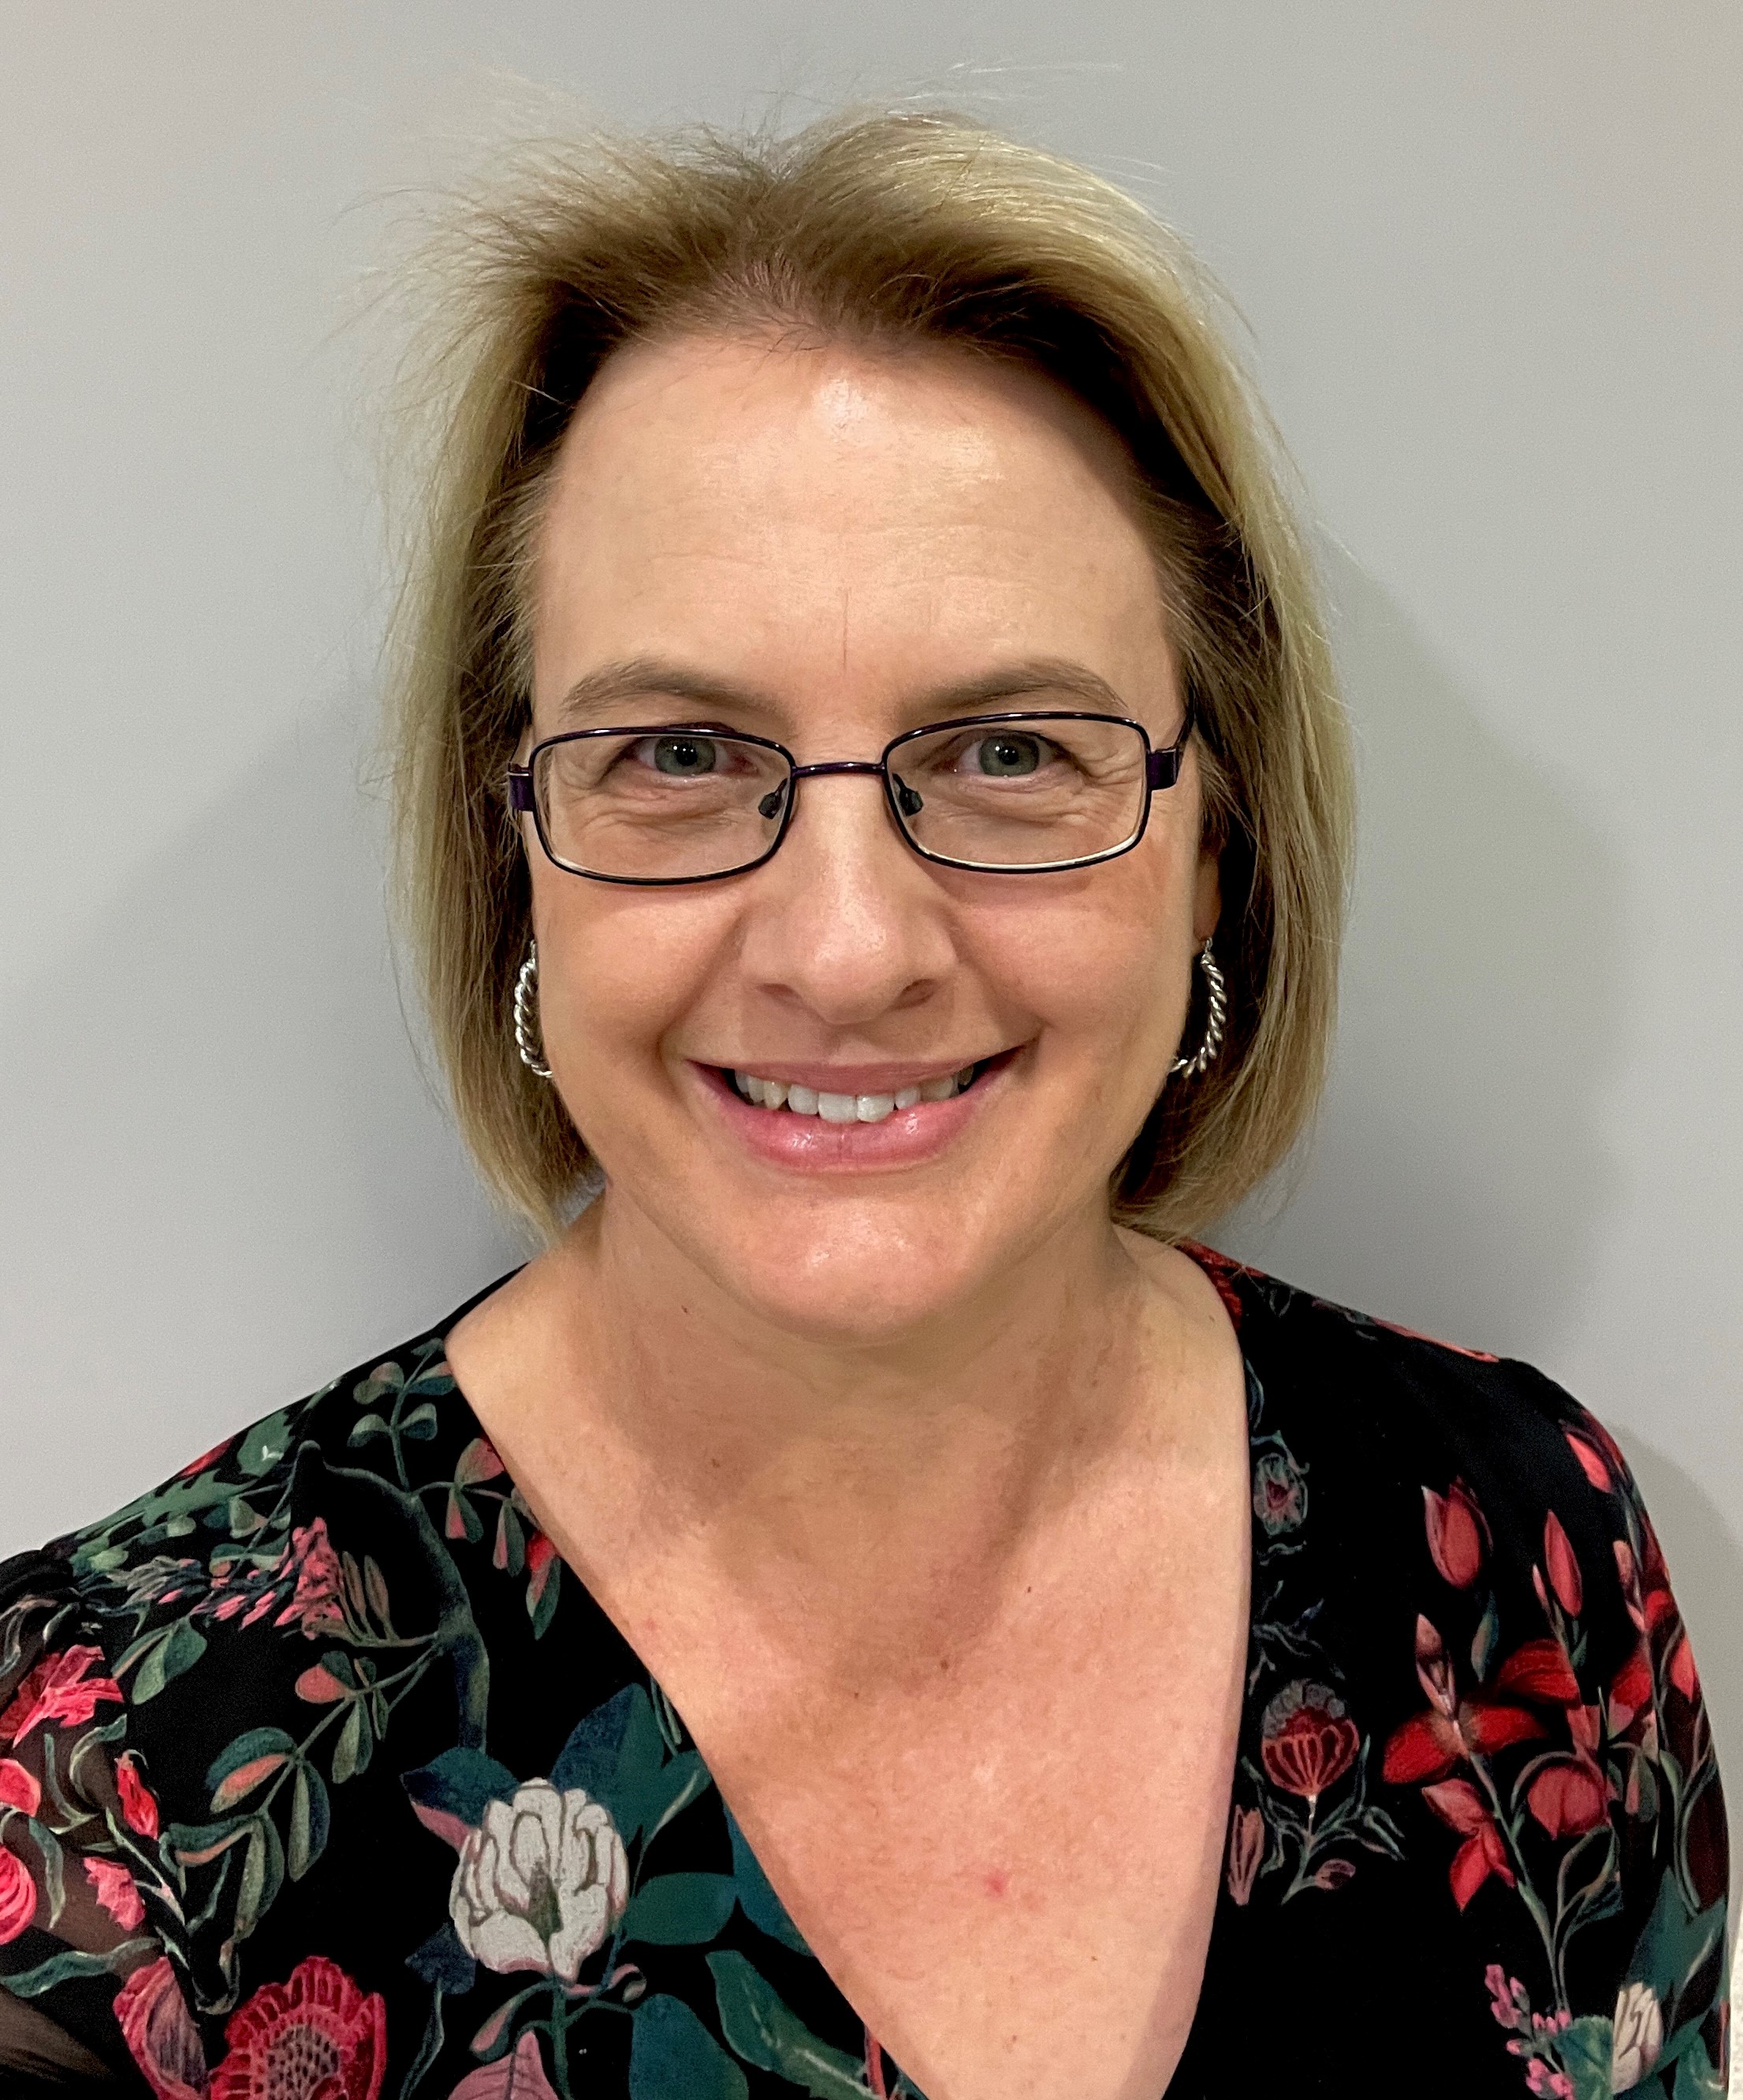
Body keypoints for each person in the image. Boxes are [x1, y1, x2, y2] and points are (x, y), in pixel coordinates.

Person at [0, 109, 1726, 2100]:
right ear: (518, 859)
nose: (843, 949)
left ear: (1210, 848)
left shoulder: (1518, 1540)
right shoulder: (113, 1789)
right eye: (674, 751)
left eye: (1008, 748)